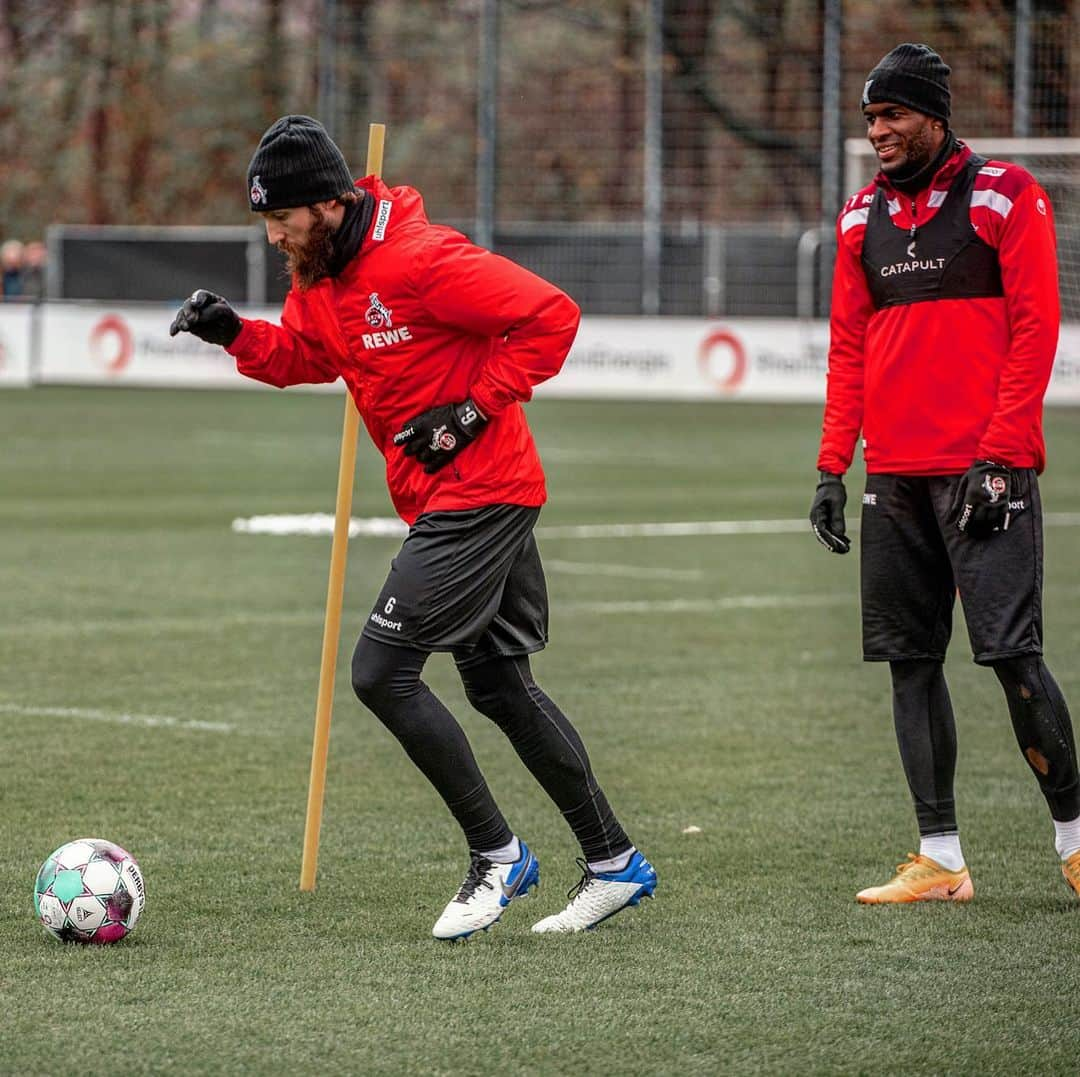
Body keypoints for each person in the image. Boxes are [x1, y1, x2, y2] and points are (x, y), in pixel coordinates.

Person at [169, 115, 656, 938]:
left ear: (327, 203)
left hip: (482, 490)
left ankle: (498, 857)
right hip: (441, 498)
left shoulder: (424, 261)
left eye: (282, 222)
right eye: (265, 226)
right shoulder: (317, 274)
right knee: (500, 685)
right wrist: (233, 334)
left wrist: (470, 411)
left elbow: (553, 317)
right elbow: (307, 356)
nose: (274, 240)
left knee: (379, 672)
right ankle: (614, 862)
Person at [810, 44, 1080, 904]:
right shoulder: (858, 218)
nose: (879, 131)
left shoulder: (1006, 194)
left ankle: (1076, 844)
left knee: (1012, 657)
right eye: (870, 118)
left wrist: (1000, 455)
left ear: (933, 115)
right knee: (909, 662)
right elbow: (847, 348)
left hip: (984, 474)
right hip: (893, 474)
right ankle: (942, 859)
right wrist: (830, 465)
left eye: (892, 115)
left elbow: (1038, 329)